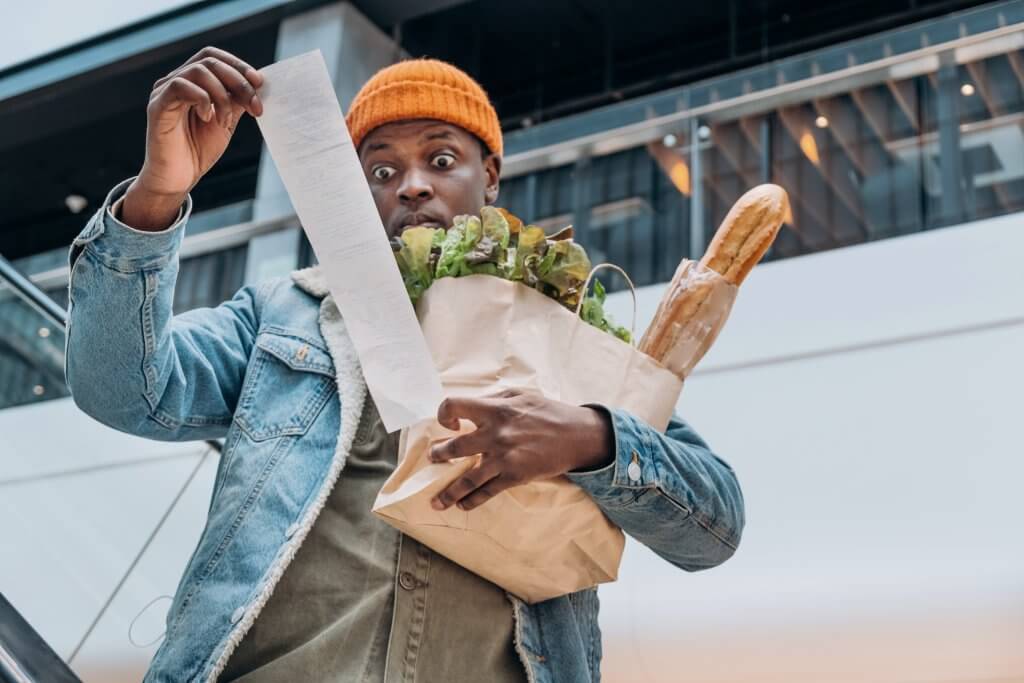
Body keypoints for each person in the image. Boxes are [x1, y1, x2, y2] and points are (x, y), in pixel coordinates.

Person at [65, 47, 745, 683]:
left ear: (491, 178)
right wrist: (157, 193)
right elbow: (120, 390)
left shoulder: (564, 337)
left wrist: (589, 437)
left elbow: (713, 527)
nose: (412, 187)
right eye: (382, 172)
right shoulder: (284, 313)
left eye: (443, 160)